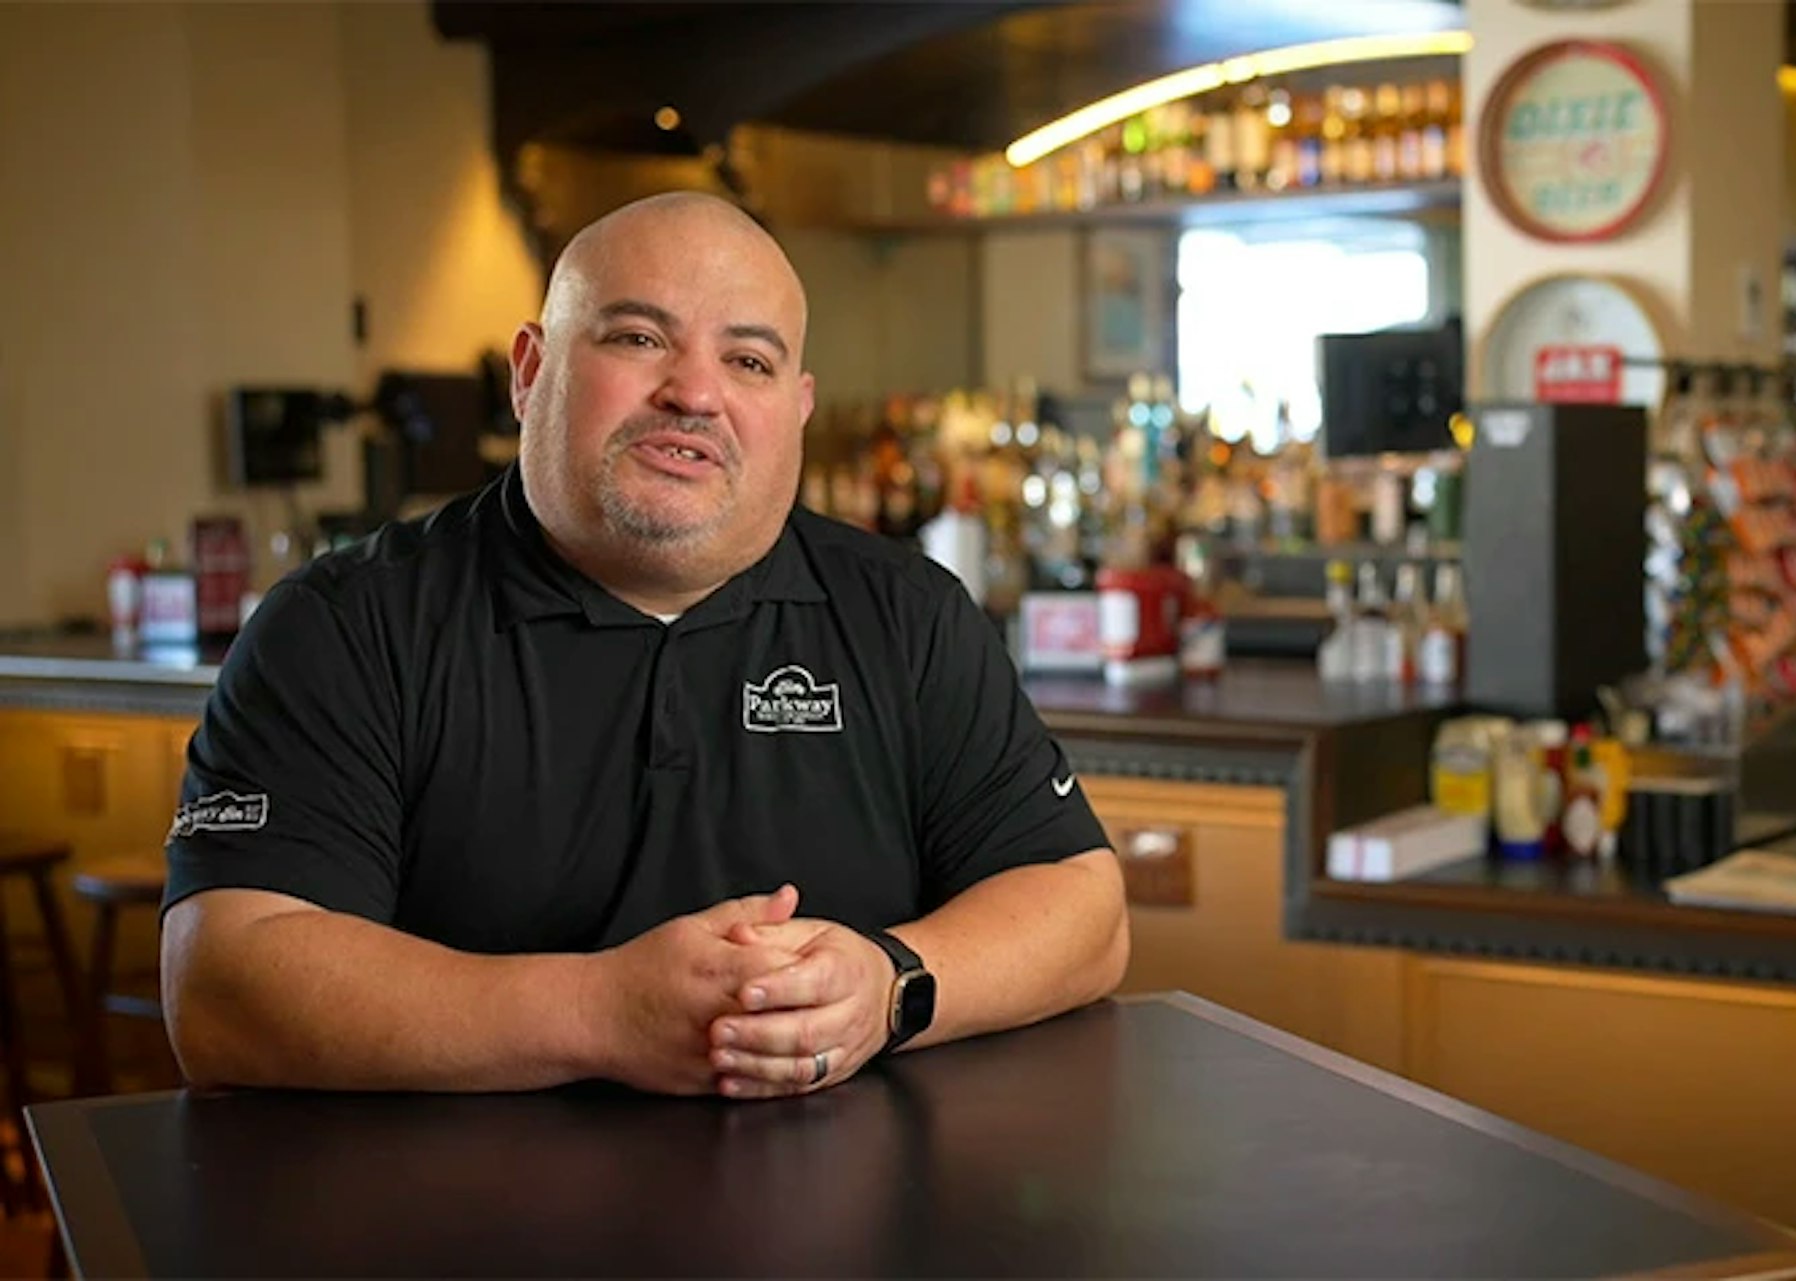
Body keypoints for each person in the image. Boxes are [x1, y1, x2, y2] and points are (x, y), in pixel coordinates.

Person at [160, 192, 1128, 1100]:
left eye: (748, 361)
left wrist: (891, 982)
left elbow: (1083, 908)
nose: (694, 393)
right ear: (531, 371)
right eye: (637, 337)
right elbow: (223, 983)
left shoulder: (906, 614)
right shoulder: (347, 624)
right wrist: (601, 1011)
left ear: (795, 407)